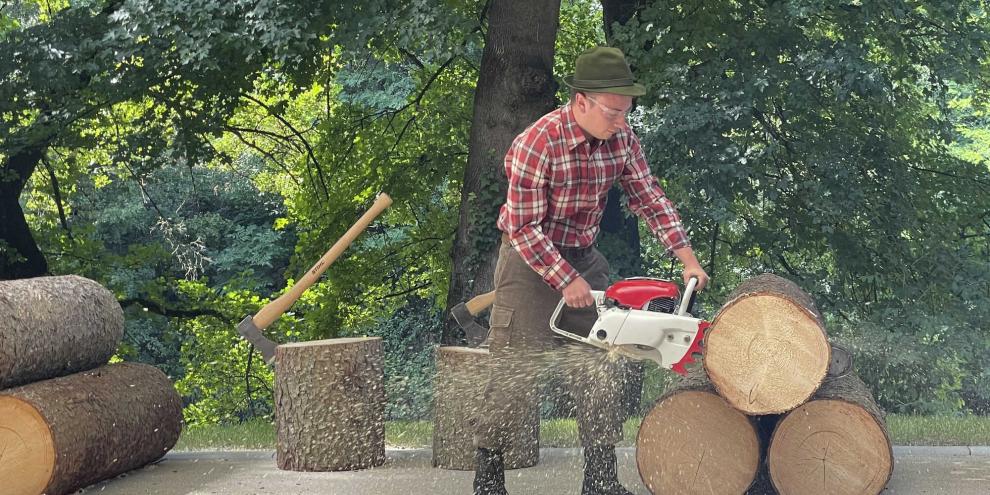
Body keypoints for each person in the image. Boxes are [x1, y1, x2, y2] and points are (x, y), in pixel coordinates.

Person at [472, 46, 710, 495]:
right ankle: (488, 480)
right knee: (512, 371)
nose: (621, 121)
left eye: (626, 112)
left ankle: (599, 481)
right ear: (580, 101)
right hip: (529, 261)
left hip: (583, 255)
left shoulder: (621, 139)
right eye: (613, 111)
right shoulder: (535, 144)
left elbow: (649, 198)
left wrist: (687, 258)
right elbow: (523, 227)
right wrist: (565, 280)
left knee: (600, 370)